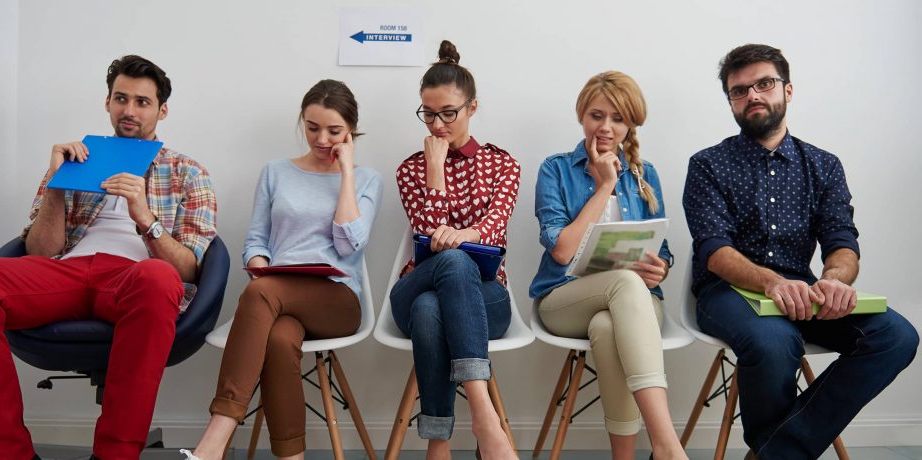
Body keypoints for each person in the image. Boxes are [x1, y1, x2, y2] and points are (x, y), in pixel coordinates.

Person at [0, 55, 217, 460]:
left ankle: (114, 455)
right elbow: (39, 252)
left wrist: (144, 216)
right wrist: (57, 184)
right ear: (107, 102)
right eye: (121, 98)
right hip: (66, 272)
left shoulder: (189, 172)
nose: (129, 111)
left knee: (158, 278)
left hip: (135, 278)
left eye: (142, 102)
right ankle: (9, 454)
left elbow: (189, 268)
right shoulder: (78, 158)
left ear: (162, 110)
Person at [682, 43, 918, 459]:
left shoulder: (824, 165)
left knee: (896, 336)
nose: (752, 95)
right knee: (776, 341)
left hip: (805, 291)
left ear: (787, 90)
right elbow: (714, 250)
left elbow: (842, 241)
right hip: (727, 292)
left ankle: (776, 452)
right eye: (739, 90)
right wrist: (773, 282)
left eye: (764, 83)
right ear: (731, 102)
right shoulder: (708, 164)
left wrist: (834, 280)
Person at [184, 79, 382, 460]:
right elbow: (257, 240)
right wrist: (259, 264)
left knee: (262, 293)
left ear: (351, 132)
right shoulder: (275, 172)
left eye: (334, 131)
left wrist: (346, 175)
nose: (321, 139)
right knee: (278, 339)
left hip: (337, 299)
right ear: (302, 122)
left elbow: (350, 243)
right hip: (278, 295)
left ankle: (214, 440)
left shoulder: (367, 179)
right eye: (312, 127)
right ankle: (292, 456)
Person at [529, 71, 688, 460]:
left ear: (630, 123)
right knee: (623, 283)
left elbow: (661, 246)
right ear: (582, 115)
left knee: (607, 325)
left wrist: (660, 268)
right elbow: (562, 252)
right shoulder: (555, 169)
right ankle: (666, 444)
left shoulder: (644, 173)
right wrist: (603, 187)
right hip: (564, 299)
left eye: (617, 118)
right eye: (597, 115)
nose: (606, 127)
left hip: (634, 303)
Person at [389, 40, 521, 460]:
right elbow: (429, 236)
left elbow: (493, 230)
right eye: (428, 113)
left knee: (434, 306)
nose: (437, 124)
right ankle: (483, 414)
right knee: (448, 260)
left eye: (449, 113)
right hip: (414, 287)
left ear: (472, 108)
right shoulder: (411, 168)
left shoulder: (504, 165)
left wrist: (462, 236)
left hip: (487, 297)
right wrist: (434, 171)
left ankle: (438, 444)